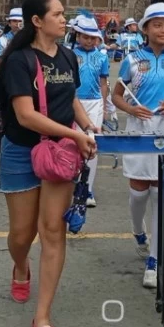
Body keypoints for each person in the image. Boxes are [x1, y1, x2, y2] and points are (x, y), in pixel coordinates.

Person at [0, 0, 98, 327]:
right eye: (56, 14)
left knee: (53, 230)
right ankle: (21, 267)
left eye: (63, 13)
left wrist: (86, 127)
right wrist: (71, 132)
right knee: (23, 234)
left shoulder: (69, 56)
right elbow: (25, 116)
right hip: (22, 150)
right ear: (37, 21)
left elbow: (70, 97)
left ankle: (43, 318)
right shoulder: (19, 61)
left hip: (61, 153)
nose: (63, 19)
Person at [113, 3, 164, 289]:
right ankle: (138, 231)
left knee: (161, 194)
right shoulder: (132, 60)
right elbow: (117, 95)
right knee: (138, 193)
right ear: (145, 29)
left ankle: (154, 259)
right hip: (140, 130)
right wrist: (132, 111)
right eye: (157, 25)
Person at [70, 14, 110, 207]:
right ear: (77, 36)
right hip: (73, 101)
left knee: (92, 144)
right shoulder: (69, 54)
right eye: (85, 36)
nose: (89, 40)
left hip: (94, 103)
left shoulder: (102, 57)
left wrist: (105, 106)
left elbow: (104, 83)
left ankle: (87, 188)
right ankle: (71, 184)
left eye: (92, 37)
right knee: (71, 143)